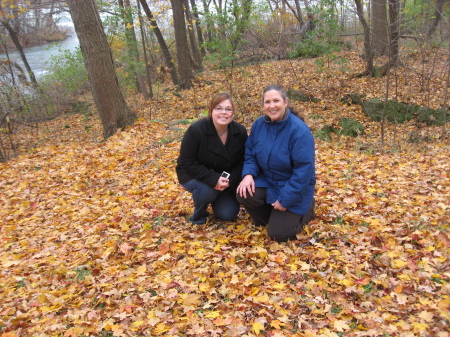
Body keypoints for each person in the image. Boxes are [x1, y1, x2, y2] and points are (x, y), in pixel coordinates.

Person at [237, 84, 316, 242]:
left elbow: (303, 171)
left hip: (293, 186)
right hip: (269, 180)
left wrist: (286, 199)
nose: (272, 106)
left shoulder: (299, 131)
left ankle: (308, 209)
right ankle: (274, 215)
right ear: (263, 105)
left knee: (278, 234)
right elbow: (251, 152)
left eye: (276, 101)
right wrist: (248, 175)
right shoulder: (259, 125)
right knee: (244, 193)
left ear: (285, 102)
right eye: (267, 102)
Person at [176, 93, 248, 224]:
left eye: (228, 109)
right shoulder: (196, 130)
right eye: (219, 108)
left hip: (225, 178)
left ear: (233, 113)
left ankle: (218, 197)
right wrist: (214, 179)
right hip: (194, 175)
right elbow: (186, 162)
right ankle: (199, 214)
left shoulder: (240, 131)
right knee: (207, 191)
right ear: (211, 111)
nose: (223, 113)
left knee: (228, 214)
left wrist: (229, 180)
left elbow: (244, 160)